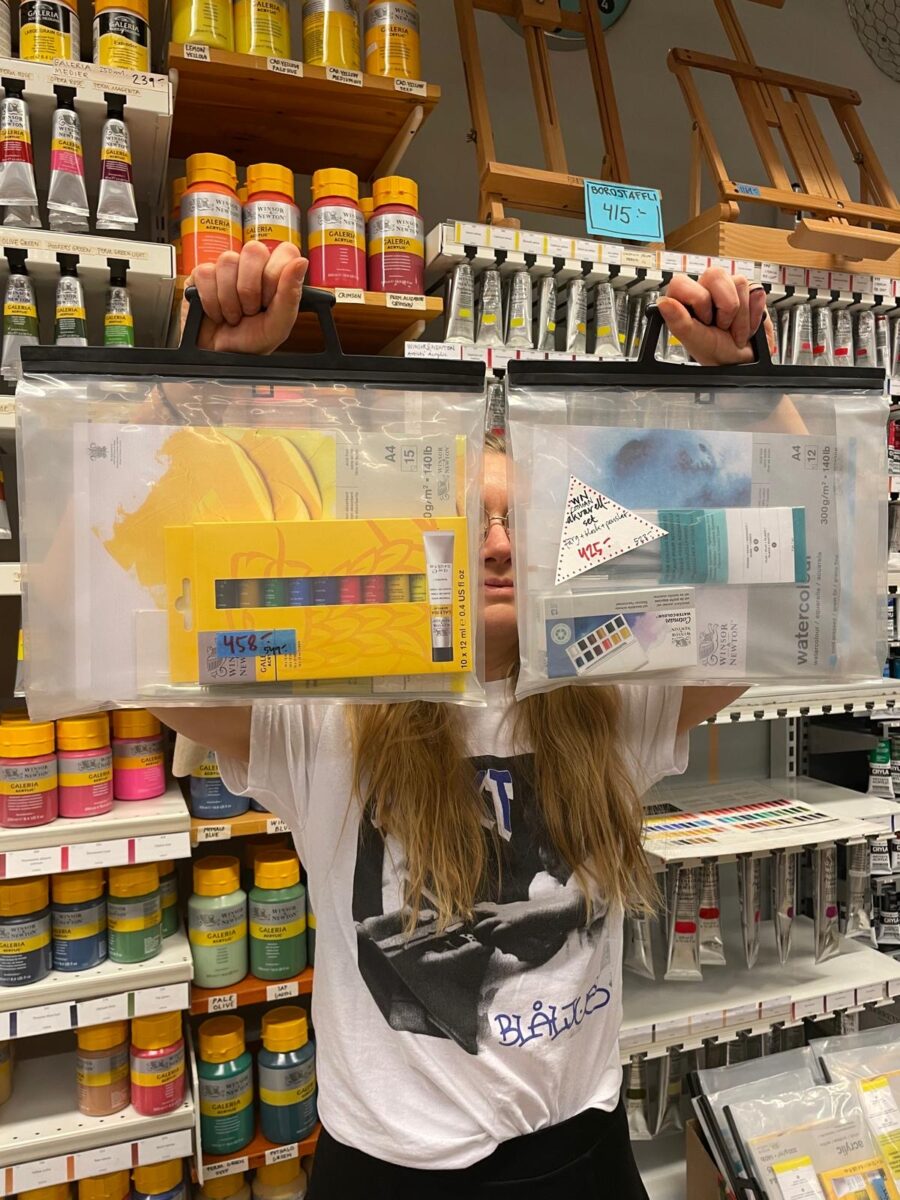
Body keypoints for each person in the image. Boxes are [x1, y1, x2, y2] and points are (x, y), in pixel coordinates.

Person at [156, 243, 782, 1199]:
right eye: (466, 520)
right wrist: (200, 382)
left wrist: (752, 383)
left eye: (519, 522)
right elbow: (129, 619)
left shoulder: (619, 699)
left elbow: (785, 600)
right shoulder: (326, 714)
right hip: (389, 1172)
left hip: (583, 1154)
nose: (494, 546)